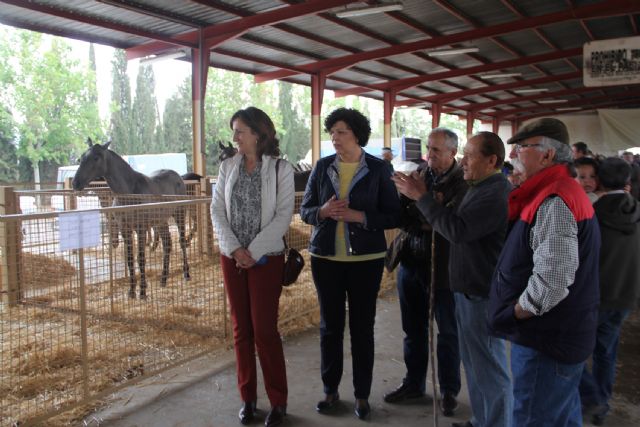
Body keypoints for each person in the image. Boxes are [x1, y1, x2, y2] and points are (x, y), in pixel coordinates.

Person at [392, 131, 513, 427]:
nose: (464, 160)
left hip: (478, 288)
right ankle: (481, 419)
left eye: (469, 155)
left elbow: (457, 230)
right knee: (474, 363)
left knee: (488, 366)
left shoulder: (494, 192)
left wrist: (423, 199)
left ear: (492, 160)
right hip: (461, 283)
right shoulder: (476, 185)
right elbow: (414, 216)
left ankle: (490, 419)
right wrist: (429, 205)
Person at [488, 118, 601, 427]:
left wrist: (515, 313)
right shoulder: (556, 190)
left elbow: (552, 281)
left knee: (531, 418)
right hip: (561, 334)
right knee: (561, 415)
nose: (513, 156)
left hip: (545, 339)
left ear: (548, 154)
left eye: (522, 148)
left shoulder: (554, 199)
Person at [300, 107, 401, 420]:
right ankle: (330, 391)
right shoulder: (321, 167)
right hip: (326, 259)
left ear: (357, 135)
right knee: (330, 327)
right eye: (332, 132)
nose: (335, 138)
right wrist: (323, 212)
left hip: (366, 261)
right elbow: (305, 211)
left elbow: (394, 215)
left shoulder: (378, 169)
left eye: (341, 132)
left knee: (362, 327)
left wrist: (362, 217)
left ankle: (361, 395)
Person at [211, 106, 294, 427]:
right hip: (232, 257)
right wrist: (233, 248)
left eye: (240, 131)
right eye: (234, 131)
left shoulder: (279, 170)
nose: (234, 138)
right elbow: (216, 209)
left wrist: (253, 251)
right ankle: (248, 398)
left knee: (264, 331)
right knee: (241, 330)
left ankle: (278, 400)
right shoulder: (227, 167)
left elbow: (283, 215)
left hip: (266, 259)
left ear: (258, 134)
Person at [383, 128, 465, 417]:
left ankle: (449, 390)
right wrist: (429, 209)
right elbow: (403, 216)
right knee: (413, 331)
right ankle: (414, 383)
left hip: (444, 269)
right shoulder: (419, 173)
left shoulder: (463, 181)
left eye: (437, 151)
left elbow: (453, 225)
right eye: (429, 149)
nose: (429, 155)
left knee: (448, 333)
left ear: (453, 153)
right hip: (412, 262)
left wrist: (425, 208)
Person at [580, 157, 640, 426]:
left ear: (599, 181)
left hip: (596, 295)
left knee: (573, 349)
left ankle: (592, 397)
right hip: (626, 294)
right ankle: (601, 403)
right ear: (628, 183)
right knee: (606, 351)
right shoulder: (636, 210)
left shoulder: (592, 211)